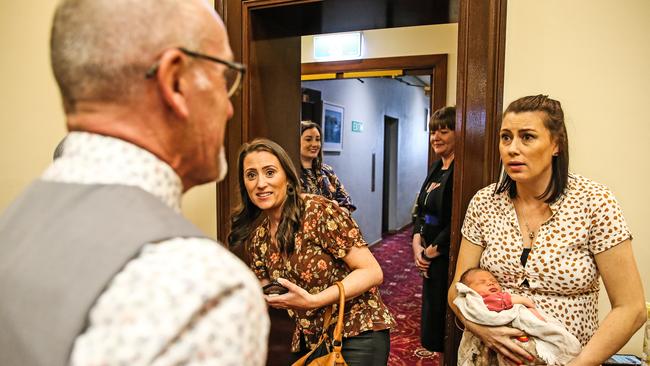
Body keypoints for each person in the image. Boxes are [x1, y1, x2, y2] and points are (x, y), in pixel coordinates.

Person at [0, 1, 269, 365]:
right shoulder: (202, 290)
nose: (229, 107)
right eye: (223, 78)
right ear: (174, 81)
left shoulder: (14, 227)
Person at [448, 95, 646, 365]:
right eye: (506, 137)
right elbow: (457, 290)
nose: (512, 149)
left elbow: (631, 308)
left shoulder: (595, 203)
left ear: (556, 144)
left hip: (570, 359)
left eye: (527, 137)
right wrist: (483, 329)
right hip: (485, 356)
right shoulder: (484, 202)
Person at [229, 138, 395, 365]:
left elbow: (372, 272)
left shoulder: (318, 211)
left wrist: (315, 301)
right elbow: (265, 288)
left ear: (287, 177)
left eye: (269, 172)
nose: (260, 183)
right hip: (313, 341)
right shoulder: (259, 238)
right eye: (251, 175)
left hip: (358, 332)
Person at [455, 268, 581, 366]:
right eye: (482, 282)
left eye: (493, 281)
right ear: (468, 290)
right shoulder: (476, 301)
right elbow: (494, 304)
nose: (490, 283)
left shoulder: (502, 295)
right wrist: (522, 301)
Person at [411, 105, 456, 354]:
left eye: (444, 131)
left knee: (441, 314)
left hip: (443, 254)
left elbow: (456, 220)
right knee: (431, 312)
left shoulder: (459, 172)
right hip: (426, 250)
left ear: (459, 134)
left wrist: (430, 252)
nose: (436, 138)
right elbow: (420, 207)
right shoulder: (436, 167)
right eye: (432, 132)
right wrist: (417, 242)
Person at [299, 121, 356, 214]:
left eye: (317, 139)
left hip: (334, 226)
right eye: (308, 139)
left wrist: (339, 211)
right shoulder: (291, 172)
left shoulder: (326, 170)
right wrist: (332, 205)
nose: (315, 144)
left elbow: (346, 200)